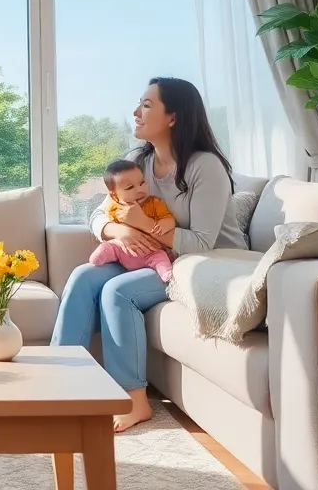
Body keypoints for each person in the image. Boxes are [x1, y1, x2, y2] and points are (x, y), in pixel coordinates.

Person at [51, 77, 241, 433]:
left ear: (173, 117)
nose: (136, 112)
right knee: (82, 276)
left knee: (117, 292)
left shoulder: (205, 166)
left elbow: (203, 242)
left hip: (202, 263)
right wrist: (118, 230)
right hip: (147, 255)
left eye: (147, 105)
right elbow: (96, 214)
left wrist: (142, 223)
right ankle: (59, 385)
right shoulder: (138, 162)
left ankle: (134, 401)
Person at [88, 159, 176, 282]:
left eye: (142, 183)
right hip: (123, 251)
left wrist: (162, 225)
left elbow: (168, 219)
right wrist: (120, 231)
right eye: (130, 187)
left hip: (150, 251)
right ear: (114, 195)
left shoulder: (155, 203)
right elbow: (99, 219)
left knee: (160, 257)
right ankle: (101, 256)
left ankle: (166, 274)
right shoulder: (115, 207)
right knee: (110, 247)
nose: (139, 190)